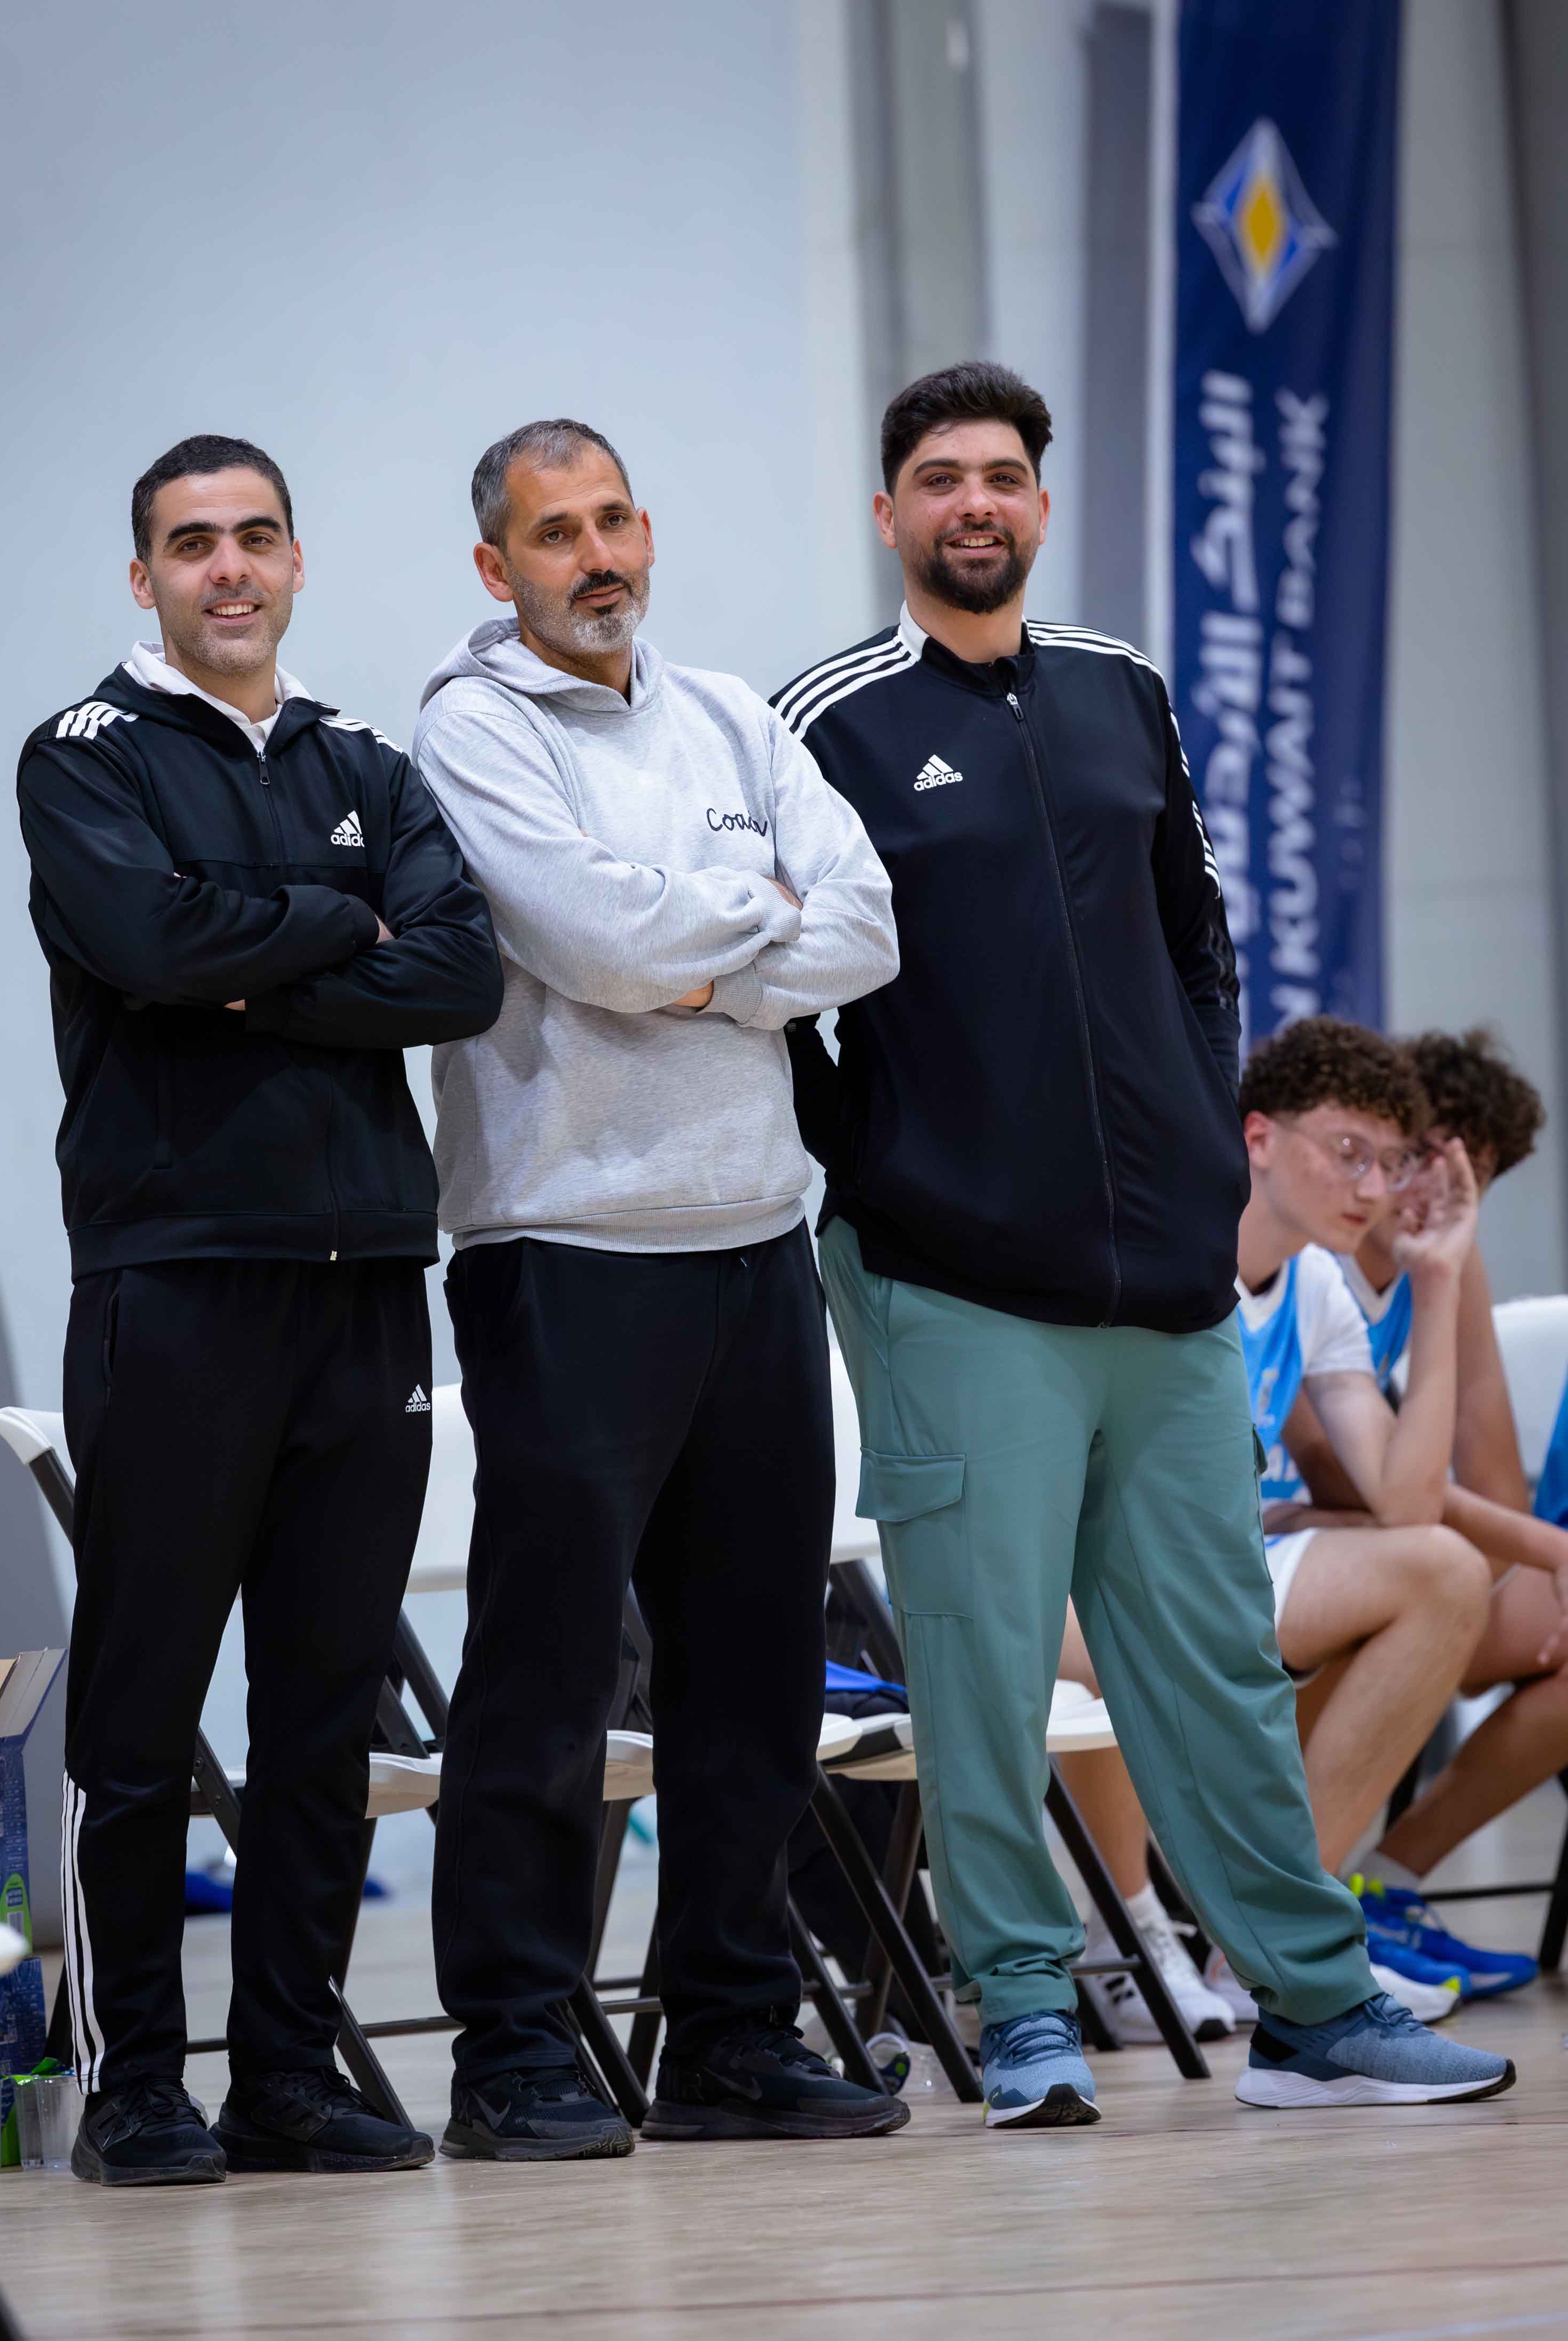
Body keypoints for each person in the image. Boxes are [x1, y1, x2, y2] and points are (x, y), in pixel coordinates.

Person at [782, 360, 1513, 2123]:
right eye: (938, 478)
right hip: (953, 1282)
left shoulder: (1122, 689)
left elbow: (1197, 937)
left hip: (1162, 1278)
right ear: (886, 513)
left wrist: (1196, 1151)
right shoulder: (826, 721)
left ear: (1039, 504)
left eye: (1000, 475)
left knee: (1213, 1661)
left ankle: (1312, 2007)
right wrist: (885, 1165)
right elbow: (785, 995)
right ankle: (1023, 2009)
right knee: (982, 1662)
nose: (972, 502)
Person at [414, 416, 903, 2160]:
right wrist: (749, 927)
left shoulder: (729, 716)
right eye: (555, 532)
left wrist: (692, 950)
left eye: (613, 518)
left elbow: (867, 925)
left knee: (753, 1674)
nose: (596, 554)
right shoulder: (470, 726)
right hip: (566, 1249)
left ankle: (728, 2032)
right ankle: (514, 2046)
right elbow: (590, 940)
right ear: (497, 567)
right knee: (547, 1676)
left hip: (752, 1242)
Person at [17, 433, 502, 2185]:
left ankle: (287, 2074)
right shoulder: (84, 754)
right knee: (144, 1709)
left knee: (322, 1710)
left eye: (255, 535)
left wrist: (255, 957)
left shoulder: (366, 758)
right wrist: (339, 924)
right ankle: (136, 2083)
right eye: (191, 542)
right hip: (175, 1281)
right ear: (142, 575)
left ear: (295, 560)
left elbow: (461, 971)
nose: (227, 566)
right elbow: (147, 947)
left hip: (364, 1286)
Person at [1061, 1017, 1535, 2020]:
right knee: (1122, 1596)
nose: (1372, 1187)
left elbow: (1404, 1503)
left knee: (1441, 1570)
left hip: (1221, 1563)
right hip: (1075, 1569)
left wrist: (1439, 1282)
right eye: (1349, 1152)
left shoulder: (1315, 1281)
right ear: (1258, 1138)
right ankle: (1129, 1939)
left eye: (1387, 1161)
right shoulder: (1157, 1239)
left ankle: (1280, 1939)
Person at [1268, 1026, 1566, 1994]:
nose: (1434, 1191)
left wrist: (1521, 1558)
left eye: (1470, 1176)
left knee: (1451, 1576)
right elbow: (1347, 1482)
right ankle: (1287, 1922)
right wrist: (1540, 1548)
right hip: (1284, 1557)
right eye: (1418, 1159)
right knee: (1419, 1571)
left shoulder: (1439, 1261)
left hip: (1359, 1547)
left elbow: (1481, 1481)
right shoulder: (1305, 1249)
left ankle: (1384, 1887)